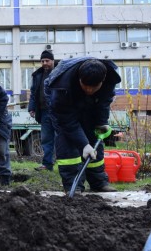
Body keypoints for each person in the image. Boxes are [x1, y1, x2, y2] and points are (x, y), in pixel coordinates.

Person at [45, 57, 121, 194]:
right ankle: (74, 186)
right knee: (67, 141)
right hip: (65, 102)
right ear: (79, 78)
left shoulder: (109, 79)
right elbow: (66, 120)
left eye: (94, 87)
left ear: (102, 81)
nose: (89, 90)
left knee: (94, 138)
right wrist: (83, 144)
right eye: (85, 85)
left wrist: (101, 123)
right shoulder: (60, 86)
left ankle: (98, 182)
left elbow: (103, 103)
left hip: (88, 105)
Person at [28, 50, 56, 171]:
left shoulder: (60, 71)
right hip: (44, 111)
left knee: (62, 137)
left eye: (47, 61)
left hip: (59, 111)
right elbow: (34, 93)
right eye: (42, 61)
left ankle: (68, 163)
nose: (45, 63)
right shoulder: (38, 75)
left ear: (53, 61)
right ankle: (47, 164)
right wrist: (32, 107)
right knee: (46, 138)